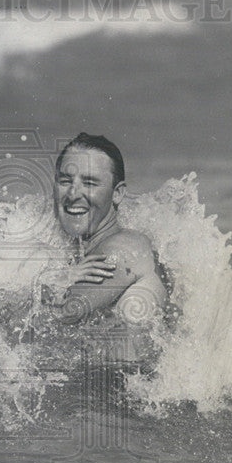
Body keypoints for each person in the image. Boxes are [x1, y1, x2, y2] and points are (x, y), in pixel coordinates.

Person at [45, 132, 167, 323]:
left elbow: (58, 317)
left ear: (117, 193)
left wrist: (57, 280)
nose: (72, 193)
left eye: (89, 183)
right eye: (65, 181)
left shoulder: (122, 250)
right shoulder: (72, 250)